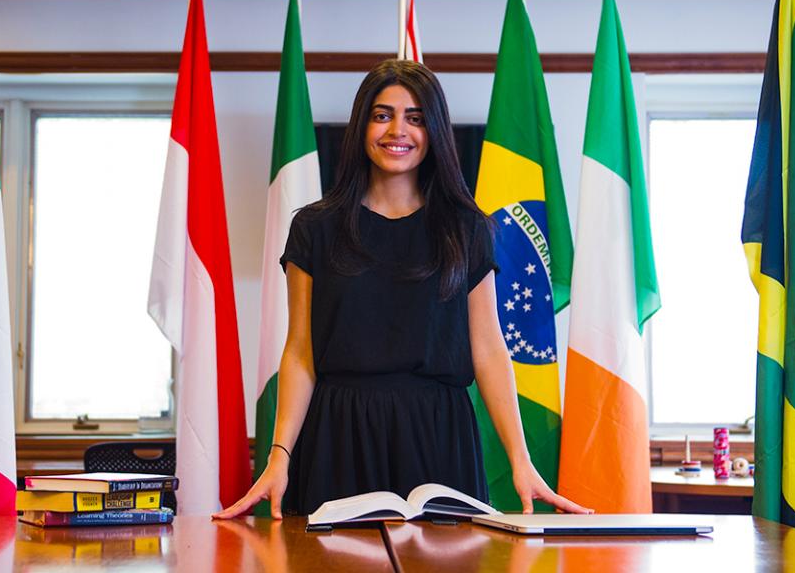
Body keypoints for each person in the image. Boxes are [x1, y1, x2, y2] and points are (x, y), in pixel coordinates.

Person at [213, 59, 590, 519]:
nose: (398, 130)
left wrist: (521, 460)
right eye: (382, 114)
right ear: (362, 126)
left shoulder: (467, 228)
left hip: (440, 434)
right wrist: (278, 456)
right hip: (338, 432)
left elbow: (489, 348)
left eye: (415, 117)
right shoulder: (314, 227)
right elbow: (300, 352)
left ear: (433, 131)